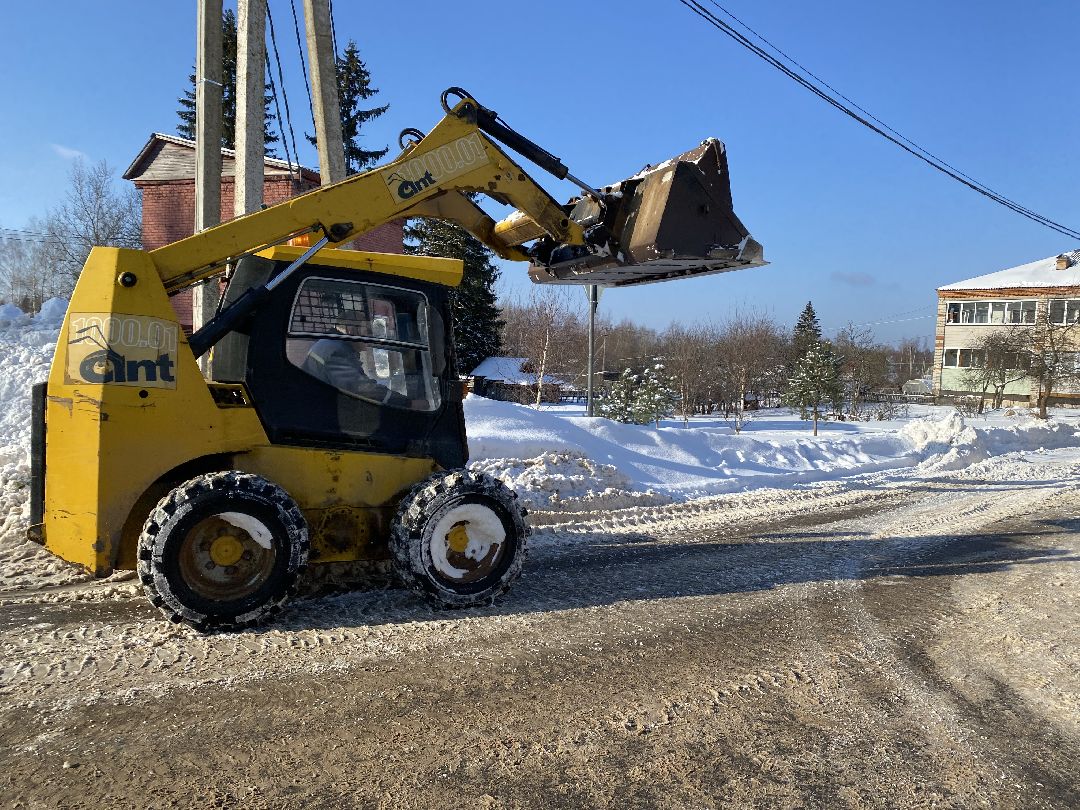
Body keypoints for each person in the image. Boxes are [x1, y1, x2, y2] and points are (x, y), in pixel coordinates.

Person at [302, 337, 411, 406]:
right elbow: (361, 388)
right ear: (350, 330)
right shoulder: (336, 351)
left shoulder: (329, 344)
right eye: (365, 331)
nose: (369, 336)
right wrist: (407, 403)